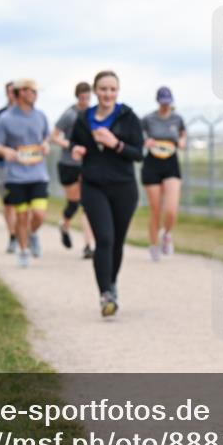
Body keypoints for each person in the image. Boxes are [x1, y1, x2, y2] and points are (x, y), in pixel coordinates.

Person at [71, 70, 144, 317]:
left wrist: (116, 144)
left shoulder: (128, 117)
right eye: (103, 89)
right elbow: (74, 142)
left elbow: (138, 153)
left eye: (112, 89)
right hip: (93, 185)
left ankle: (111, 284)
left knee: (117, 242)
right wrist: (76, 150)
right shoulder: (84, 118)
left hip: (123, 186)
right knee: (104, 239)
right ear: (95, 91)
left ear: (117, 91)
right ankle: (105, 295)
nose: (108, 94)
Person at [0, 79, 50, 268]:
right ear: (21, 92)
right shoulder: (5, 118)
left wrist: (46, 145)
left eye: (36, 91)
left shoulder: (41, 116)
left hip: (38, 173)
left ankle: (32, 234)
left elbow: (46, 137)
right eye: (32, 91)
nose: (35, 94)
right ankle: (24, 250)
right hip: (16, 176)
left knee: (39, 214)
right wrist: (5, 151)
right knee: (22, 216)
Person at [141, 86, 187, 261]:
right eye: (163, 102)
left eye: (168, 102)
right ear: (158, 101)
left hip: (171, 163)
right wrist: (145, 141)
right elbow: (138, 135)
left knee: (171, 209)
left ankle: (166, 233)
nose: (165, 105)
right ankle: (153, 245)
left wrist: (182, 141)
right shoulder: (148, 119)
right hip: (152, 163)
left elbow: (183, 134)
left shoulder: (177, 119)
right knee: (155, 209)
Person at [51, 81, 96, 256]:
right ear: (77, 97)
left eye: (88, 98)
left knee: (87, 204)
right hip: (69, 164)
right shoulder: (69, 115)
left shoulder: (93, 114)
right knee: (74, 204)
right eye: (82, 98)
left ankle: (88, 245)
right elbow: (54, 136)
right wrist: (71, 146)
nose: (85, 101)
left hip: (87, 164)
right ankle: (64, 225)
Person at [0, 81, 20, 253]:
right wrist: (1, 148)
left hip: (24, 165)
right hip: (3, 164)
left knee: (23, 203)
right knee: (8, 202)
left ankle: (24, 233)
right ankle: (13, 236)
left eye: (16, 91)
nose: (13, 95)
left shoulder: (29, 114)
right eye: (10, 92)